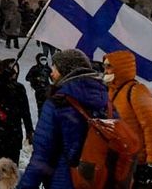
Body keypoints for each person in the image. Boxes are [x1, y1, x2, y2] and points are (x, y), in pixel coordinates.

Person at [17, 49, 107, 189]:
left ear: (65, 70)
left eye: (55, 68)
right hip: (101, 178)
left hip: (66, 179)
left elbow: (42, 155)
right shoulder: (107, 100)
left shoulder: (58, 102)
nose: (51, 73)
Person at [103, 50, 152, 170]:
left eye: (109, 66)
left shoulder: (137, 91)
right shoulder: (111, 91)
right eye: (104, 66)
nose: (105, 71)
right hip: (119, 157)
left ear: (120, 68)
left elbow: (150, 126)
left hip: (136, 159)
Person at [0, 58, 34, 164]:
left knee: (14, 159)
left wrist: (29, 130)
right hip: (1, 128)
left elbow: (25, 110)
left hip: (15, 129)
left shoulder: (19, 88)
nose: (15, 72)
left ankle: (12, 178)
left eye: (16, 69)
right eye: (12, 69)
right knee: (3, 158)